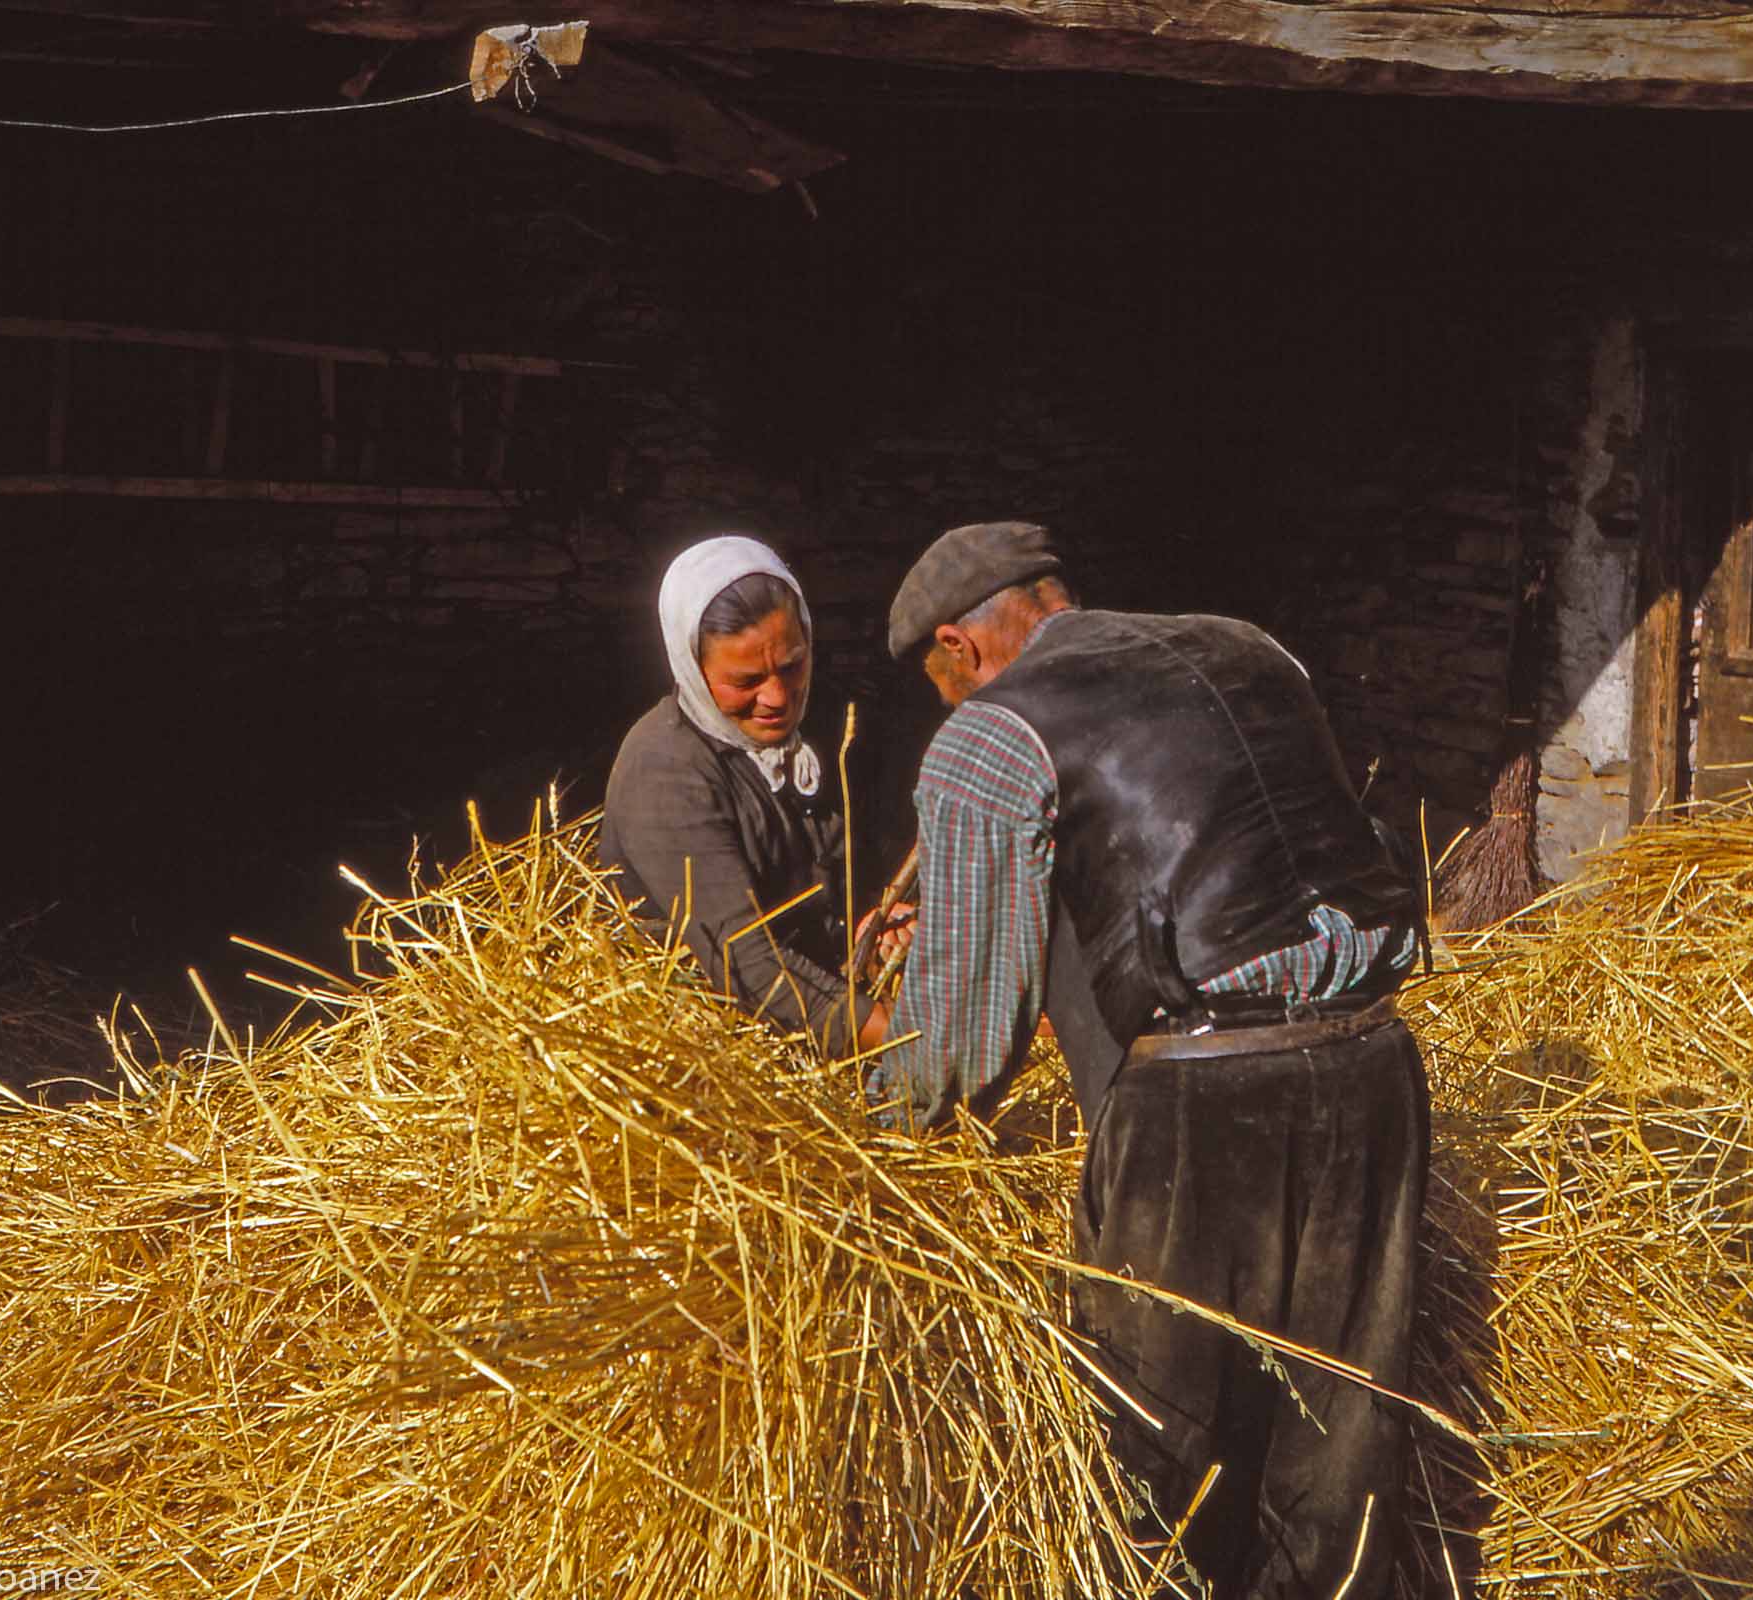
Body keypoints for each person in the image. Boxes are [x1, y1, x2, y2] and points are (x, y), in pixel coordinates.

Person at [866, 521, 1430, 1600]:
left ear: (960, 645)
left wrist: (875, 1140)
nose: (952, 705)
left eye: (942, 684)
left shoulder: (993, 731)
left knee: (1153, 1465)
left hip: (1201, 1108)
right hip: (1374, 1064)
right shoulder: (1252, 647)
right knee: (1338, 1465)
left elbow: (961, 1042)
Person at [601, 535, 891, 1058]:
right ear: (692, 668)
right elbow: (749, 966)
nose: (777, 698)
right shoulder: (666, 769)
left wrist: (876, 917)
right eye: (746, 680)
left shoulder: (820, 739)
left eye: (793, 666)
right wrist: (914, 1043)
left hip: (819, 1025)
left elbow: (846, 876)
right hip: (709, 1056)